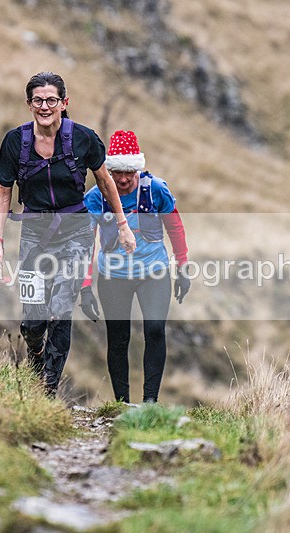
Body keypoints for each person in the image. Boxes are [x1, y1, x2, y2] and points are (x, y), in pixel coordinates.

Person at [0, 72, 136, 397]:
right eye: (38, 100)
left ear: (64, 103)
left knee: (59, 310)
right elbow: (3, 193)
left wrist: (122, 225)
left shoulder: (83, 139)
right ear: (29, 104)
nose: (45, 106)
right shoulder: (16, 142)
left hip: (76, 233)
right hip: (33, 236)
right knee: (32, 323)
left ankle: (47, 391)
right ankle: (36, 359)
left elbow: (105, 182)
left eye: (51, 100)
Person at [81, 129, 190, 404]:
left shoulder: (156, 190)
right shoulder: (96, 197)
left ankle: (150, 402)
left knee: (154, 329)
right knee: (118, 338)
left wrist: (183, 268)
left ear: (138, 169)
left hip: (154, 272)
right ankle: (121, 404)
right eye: (117, 172)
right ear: (109, 170)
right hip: (113, 276)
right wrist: (85, 287)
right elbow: (85, 244)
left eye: (130, 171)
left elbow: (175, 227)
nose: (124, 179)